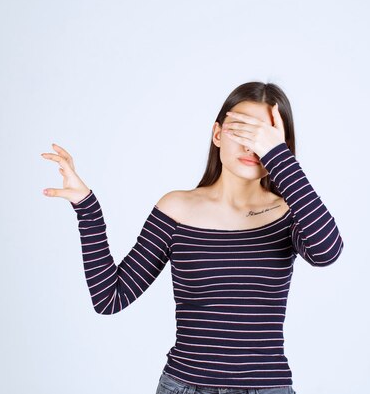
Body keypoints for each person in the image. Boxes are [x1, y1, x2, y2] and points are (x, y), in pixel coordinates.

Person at [41, 81, 345, 394]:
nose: (250, 145)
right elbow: (110, 298)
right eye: (240, 129)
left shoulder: (289, 213)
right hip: (185, 387)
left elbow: (327, 251)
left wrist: (278, 156)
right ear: (217, 134)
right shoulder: (176, 209)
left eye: (264, 135)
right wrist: (87, 208)